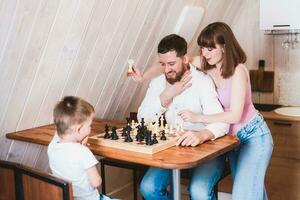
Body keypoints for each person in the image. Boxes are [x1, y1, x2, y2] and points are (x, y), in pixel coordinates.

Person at [131, 22, 273, 200]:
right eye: (203, 48)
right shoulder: (205, 63)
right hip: (232, 139)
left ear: (224, 47)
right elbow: (165, 64)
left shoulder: (237, 71)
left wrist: (198, 119)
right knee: (252, 190)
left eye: (210, 49)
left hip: (252, 134)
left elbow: (235, 115)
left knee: (245, 195)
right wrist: (144, 77)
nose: (204, 53)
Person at [137, 34, 229, 200]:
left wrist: (201, 136)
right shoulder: (158, 83)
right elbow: (142, 118)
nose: (166, 70)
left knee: (199, 192)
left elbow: (221, 120)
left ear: (185, 59)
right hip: (173, 148)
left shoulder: (202, 81)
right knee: (148, 188)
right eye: (163, 64)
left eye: (172, 64)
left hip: (207, 147)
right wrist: (167, 95)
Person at [47, 96, 111, 200]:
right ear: (79, 129)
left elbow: (60, 131)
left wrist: (79, 141)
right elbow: (96, 182)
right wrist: (83, 148)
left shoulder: (52, 146)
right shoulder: (83, 153)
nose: (91, 128)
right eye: (90, 125)